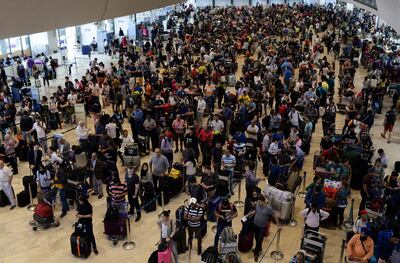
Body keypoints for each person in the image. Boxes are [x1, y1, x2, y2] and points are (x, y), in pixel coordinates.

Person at [245, 195, 277, 262]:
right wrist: (248, 214)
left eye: (260, 202)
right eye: (258, 202)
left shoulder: (268, 208)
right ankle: (259, 248)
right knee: (256, 239)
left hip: (262, 227)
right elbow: (255, 211)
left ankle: (256, 254)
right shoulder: (257, 204)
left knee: (259, 240)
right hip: (255, 225)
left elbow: (274, 215)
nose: (258, 203)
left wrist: (278, 224)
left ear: (263, 202)